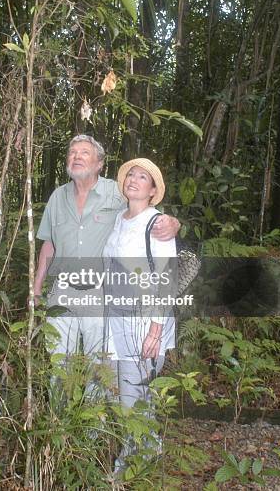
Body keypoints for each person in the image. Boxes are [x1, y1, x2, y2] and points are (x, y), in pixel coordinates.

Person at [34, 135, 180, 361]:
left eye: (84, 152)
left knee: (100, 369)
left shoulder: (117, 193)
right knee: (58, 366)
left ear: (99, 163)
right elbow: (48, 245)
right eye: (72, 152)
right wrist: (36, 290)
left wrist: (173, 222)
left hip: (100, 295)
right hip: (61, 293)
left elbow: (144, 212)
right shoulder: (57, 197)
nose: (77, 156)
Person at [102, 158, 176, 472]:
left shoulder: (157, 224)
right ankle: (151, 447)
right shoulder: (119, 218)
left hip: (145, 322)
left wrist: (155, 332)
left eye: (142, 176)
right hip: (117, 316)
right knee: (132, 392)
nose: (133, 179)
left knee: (132, 397)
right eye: (130, 174)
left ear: (153, 190)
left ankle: (128, 463)